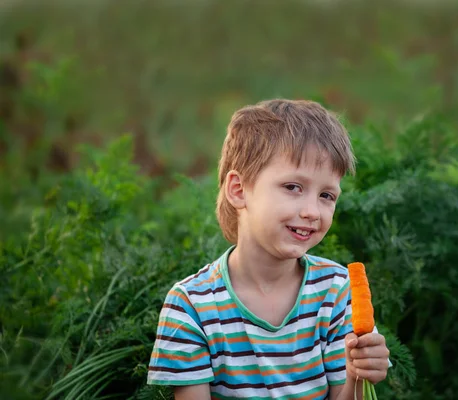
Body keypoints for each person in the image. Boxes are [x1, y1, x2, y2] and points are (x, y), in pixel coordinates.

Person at [147, 99, 391, 399]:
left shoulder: (337, 291)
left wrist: (357, 376)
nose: (313, 211)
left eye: (326, 195)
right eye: (292, 187)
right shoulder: (190, 307)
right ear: (239, 190)